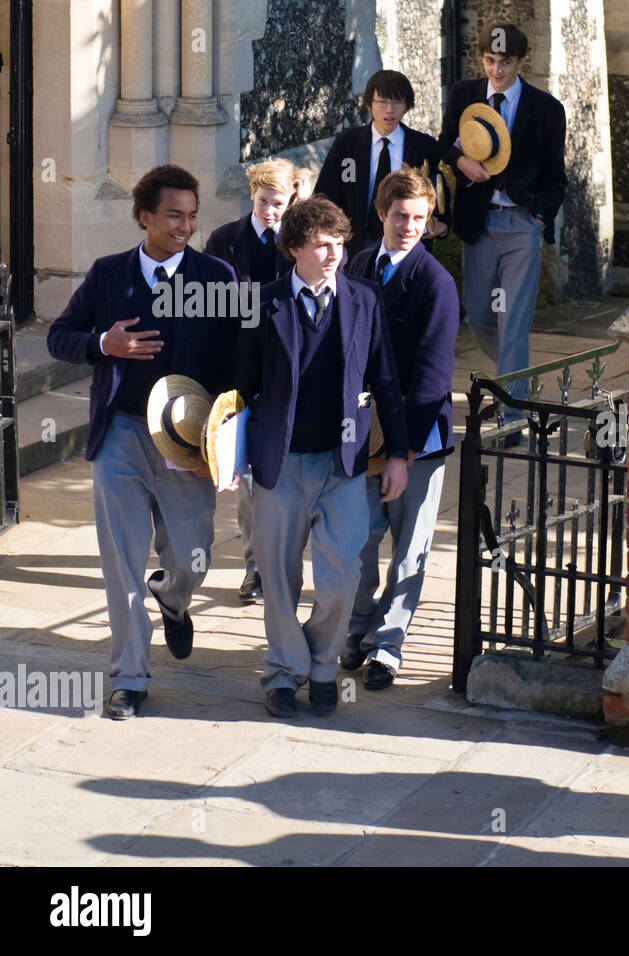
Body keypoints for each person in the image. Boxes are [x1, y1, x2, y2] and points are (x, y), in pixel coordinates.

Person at [46, 164, 240, 720]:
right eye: (173, 215)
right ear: (145, 216)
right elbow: (61, 337)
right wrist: (103, 343)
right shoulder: (108, 275)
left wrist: (222, 442)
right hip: (122, 436)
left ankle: (175, 599)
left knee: (192, 556)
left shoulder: (218, 277)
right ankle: (129, 675)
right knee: (121, 561)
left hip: (191, 445)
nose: (185, 225)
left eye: (192, 216)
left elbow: (237, 365)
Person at [235, 196, 409, 718]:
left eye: (340, 244)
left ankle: (320, 662)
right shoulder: (260, 304)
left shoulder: (365, 299)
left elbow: (386, 380)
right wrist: (229, 459)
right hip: (279, 461)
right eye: (321, 245)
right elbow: (239, 389)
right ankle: (284, 675)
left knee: (341, 577)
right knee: (278, 575)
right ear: (294, 250)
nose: (334, 254)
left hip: (343, 462)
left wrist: (397, 453)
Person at [340, 166, 459, 690]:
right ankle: (358, 629)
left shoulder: (436, 283)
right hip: (361, 435)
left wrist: (403, 450)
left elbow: (433, 376)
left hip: (415, 442)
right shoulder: (359, 265)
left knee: (409, 547)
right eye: (399, 216)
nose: (409, 226)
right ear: (382, 214)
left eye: (418, 218)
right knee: (359, 539)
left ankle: (388, 646)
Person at [436, 21, 566, 408]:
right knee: (479, 315)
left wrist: (539, 219)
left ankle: (512, 412)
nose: (497, 70)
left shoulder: (546, 109)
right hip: (479, 222)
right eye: (490, 60)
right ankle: (519, 379)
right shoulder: (463, 94)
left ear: (521, 62)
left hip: (521, 226)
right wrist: (462, 161)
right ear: (482, 59)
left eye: (505, 62)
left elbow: (556, 176)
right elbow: (443, 143)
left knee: (512, 322)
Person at [203, 158, 303, 603]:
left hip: (290, 370)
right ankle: (254, 568)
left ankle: (284, 565)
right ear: (252, 196)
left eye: (278, 204)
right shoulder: (224, 241)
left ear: (292, 200)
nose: (270, 212)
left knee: (291, 481)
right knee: (246, 482)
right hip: (241, 374)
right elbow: (209, 309)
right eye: (263, 202)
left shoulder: (302, 240)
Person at [314, 70, 440, 258]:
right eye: (382, 102)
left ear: (407, 105)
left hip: (405, 243)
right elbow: (326, 194)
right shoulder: (347, 144)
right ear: (369, 104)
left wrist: (441, 223)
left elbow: (438, 190)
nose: (389, 110)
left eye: (397, 102)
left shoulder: (423, 146)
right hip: (355, 242)